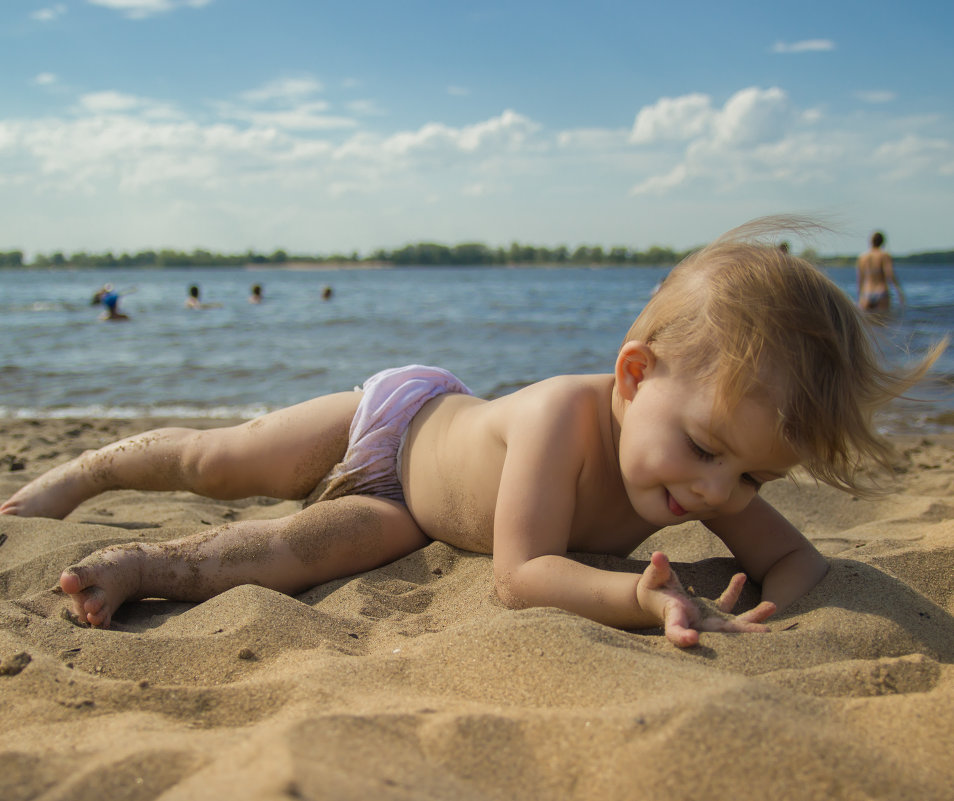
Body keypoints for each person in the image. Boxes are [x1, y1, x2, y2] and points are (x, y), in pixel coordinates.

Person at [1, 218, 942, 647]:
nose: (717, 493)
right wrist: (642, 601)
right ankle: (87, 471)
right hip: (401, 426)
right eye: (704, 450)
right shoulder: (559, 419)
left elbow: (798, 562)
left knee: (293, 549)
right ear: (633, 375)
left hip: (415, 515)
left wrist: (771, 601)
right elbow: (519, 575)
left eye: (754, 479)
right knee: (220, 457)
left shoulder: (702, 470)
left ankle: (133, 566)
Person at [857, 231, 904, 312]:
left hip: (866, 292)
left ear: (871, 241)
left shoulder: (862, 257)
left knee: (867, 322)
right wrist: (899, 291)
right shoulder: (884, 255)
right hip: (881, 291)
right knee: (883, 321)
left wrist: (860, 294)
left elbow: (860, 278)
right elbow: (889, 274)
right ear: (882, 242)